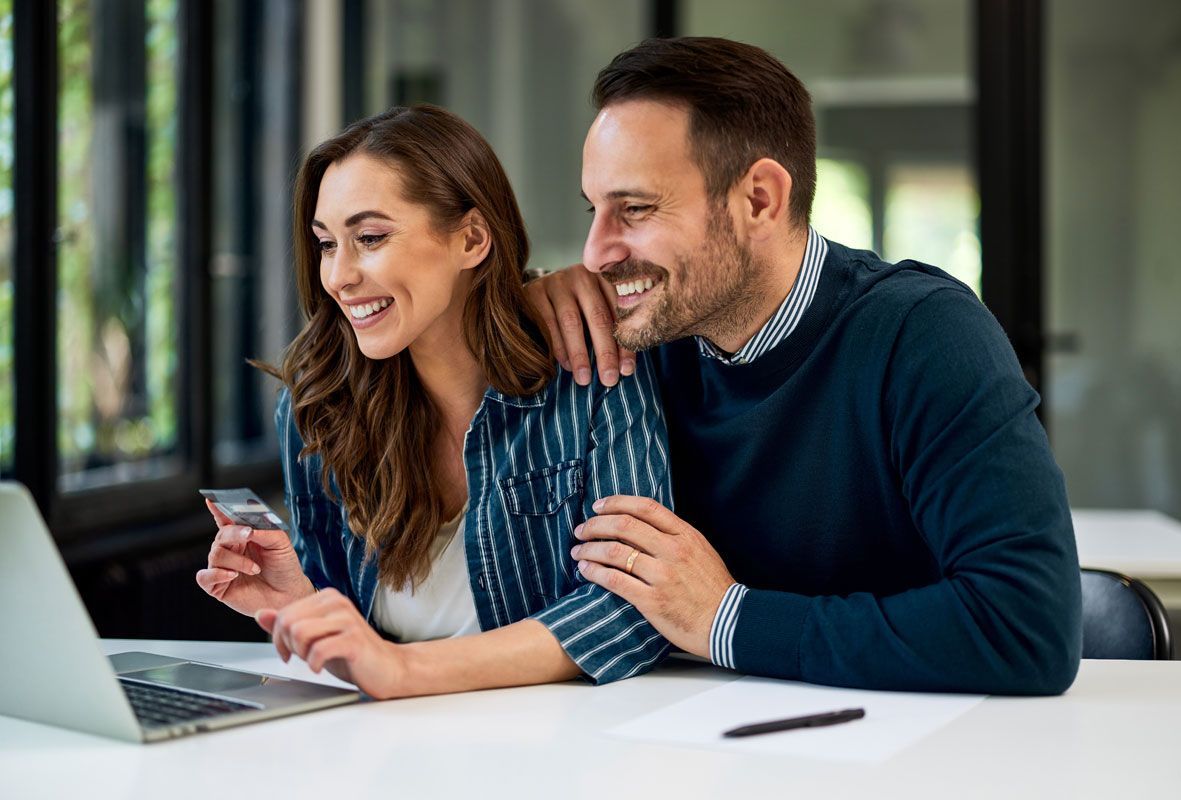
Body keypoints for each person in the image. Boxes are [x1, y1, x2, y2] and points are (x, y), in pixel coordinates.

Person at [527, 37, 1081, 694]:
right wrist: (521, 294)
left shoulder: (926, 335)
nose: (594, 254)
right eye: (595, 211)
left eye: (636, 209)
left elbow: (1026, 627)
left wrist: (724, 617)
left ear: (760, 199)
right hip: (696, 743)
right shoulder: (640, 336)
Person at [196, 105, 672, 699]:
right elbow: (355, 641)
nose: (338, 276)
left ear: (472, 238)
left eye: (369, 238)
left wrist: (407, 673)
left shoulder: (592, 374)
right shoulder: (315, 405)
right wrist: (300, 601)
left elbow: (634, 610)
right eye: (325, 244)